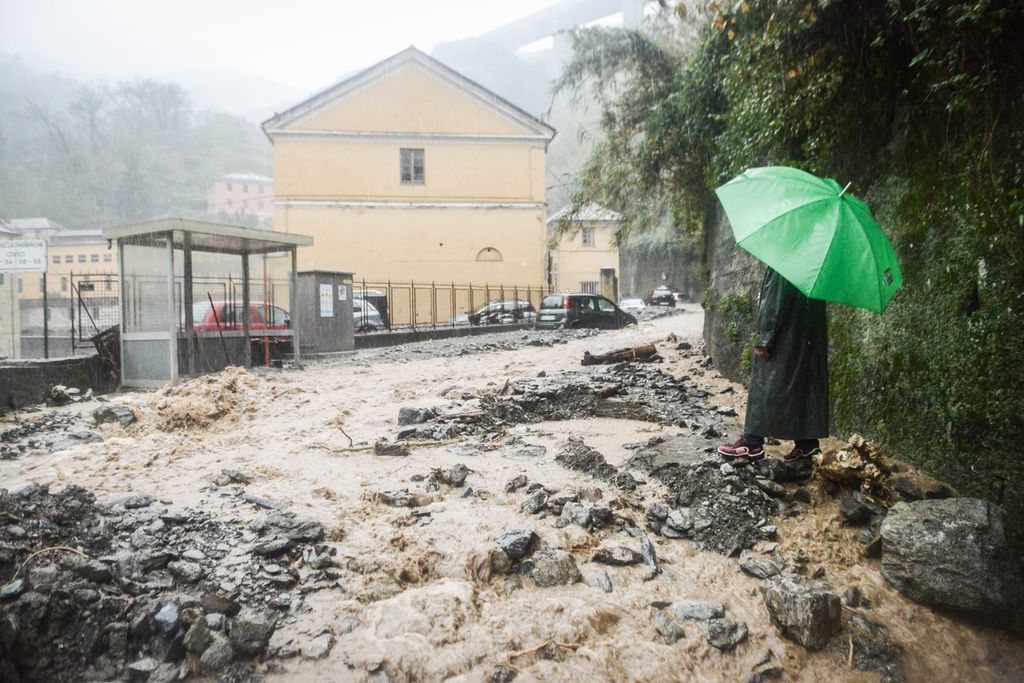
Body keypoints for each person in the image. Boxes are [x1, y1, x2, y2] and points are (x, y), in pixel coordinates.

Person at [718, 267, 828, 462]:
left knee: (765, 388)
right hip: (808, 340)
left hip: (784, 339)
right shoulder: (815, 266)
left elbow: (775, 303)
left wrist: (764, 337)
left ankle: (752, 443)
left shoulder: (785, 262)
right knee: (804, 386)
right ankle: (807, 445)